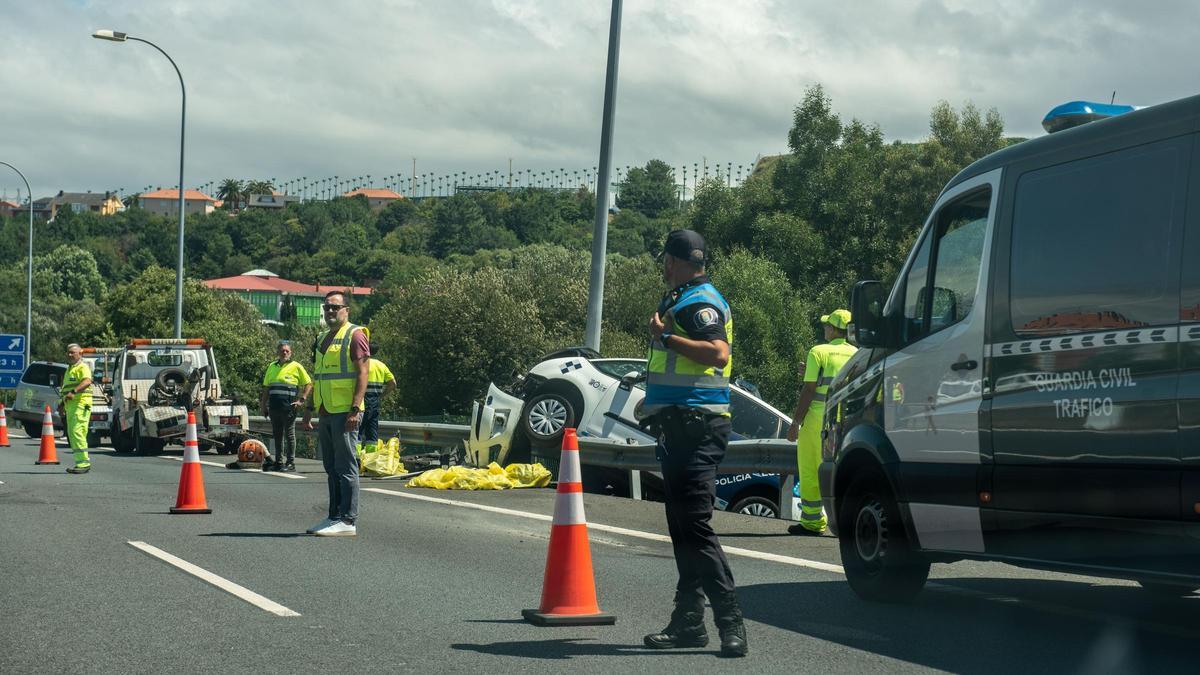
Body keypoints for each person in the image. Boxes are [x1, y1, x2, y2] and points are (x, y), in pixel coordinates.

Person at [641, 229, 747, 658]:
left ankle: (730, 623)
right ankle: (688, 623)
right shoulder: (683, 298)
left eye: (665, 260)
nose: (663, 266)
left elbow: (718, 352)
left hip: (697, 429)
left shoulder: (697, 302)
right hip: (679, 428)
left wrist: (665, 338)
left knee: (696, 528)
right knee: (683, 528)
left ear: (673, 261)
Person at [302, 291, 370, 537]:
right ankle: (334, 516)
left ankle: (348, 520)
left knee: (346, 467)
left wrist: (355, 409)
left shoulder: (355, 335)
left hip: (345, 412)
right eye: (327, 307)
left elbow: (363, 373)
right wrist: (309, 409)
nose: (330, 311)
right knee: (331, 467)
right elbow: (319, 377)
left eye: (335, 307)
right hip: (326, 411)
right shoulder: (322, 338)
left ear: (346, 310)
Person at [786, 309, 857, 535]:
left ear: (834, 330)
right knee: (842, 471)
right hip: (846, 421)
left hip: (818, 420)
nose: (824, 328)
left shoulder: (818, 351)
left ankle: (812, 521)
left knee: (810, 469)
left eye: (827, 325)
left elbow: (809, 390)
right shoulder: (858, 354)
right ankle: (847, 523)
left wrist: (795, 423)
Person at [259, 341, 312, 472]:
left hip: (289, 407)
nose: (284, 353)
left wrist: (302, 399)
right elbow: (266, 388)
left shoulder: (296, 366)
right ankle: (278, 462)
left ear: (291, 353)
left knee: (289, 435)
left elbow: (309, 383)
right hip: (274, 407)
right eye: (282, 350)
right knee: (277, 435)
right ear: (278, 352)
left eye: (287, 351)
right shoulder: (272, 366)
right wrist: (263, 405)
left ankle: (290, 463)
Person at [357, 344, 396, 457]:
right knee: (372, 433)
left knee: (358, 431)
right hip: (374, 401)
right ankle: (371, 460)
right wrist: (382, 395)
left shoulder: (361, 364)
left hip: (361, 401)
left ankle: (356, 460)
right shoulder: (381, 365)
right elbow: (393, 383)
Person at [60, 344, 94, 474]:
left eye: (72, 352)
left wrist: (74, 391)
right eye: (68, 352)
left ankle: (83, 463)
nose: (69, 355)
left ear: (80, 354)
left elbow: (87, 381)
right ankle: (80, 463)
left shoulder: (82, 367)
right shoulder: (69, 369)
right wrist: (61, 403)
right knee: (73, 434)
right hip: (72, 406)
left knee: (77, 432)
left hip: (81, 404)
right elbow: (65, 390)